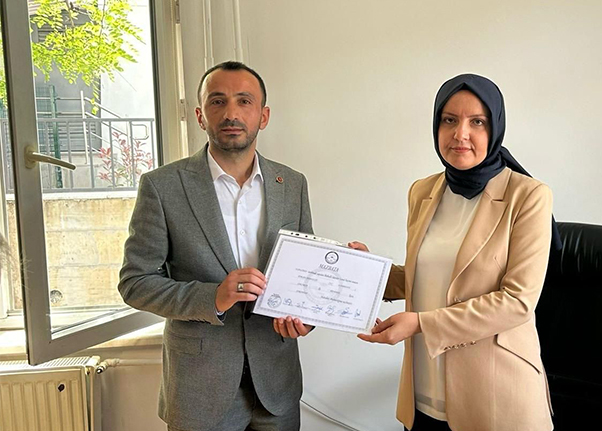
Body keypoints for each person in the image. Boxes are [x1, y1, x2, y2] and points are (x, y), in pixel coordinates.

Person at [353, 74, 561, 431]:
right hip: (423, 389)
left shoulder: (528, 196)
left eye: (477, 122)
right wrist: (366, 271)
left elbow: (517, 301)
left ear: (495, 128)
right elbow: (426, 277)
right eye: (449, 120)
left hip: (495, 397)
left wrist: (421, 323)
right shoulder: (422, 191)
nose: (460, 134)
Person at [118, 61, 313, 431]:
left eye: (244, 101)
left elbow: (304, 275)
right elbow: (135, 283)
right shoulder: (162, 187)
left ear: (263, 116)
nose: (231, 113)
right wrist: (214, 298)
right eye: (218, 101)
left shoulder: (292, 184)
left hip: (277, 384)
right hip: (199, 389)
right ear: (200, 115)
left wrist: (306, 319)